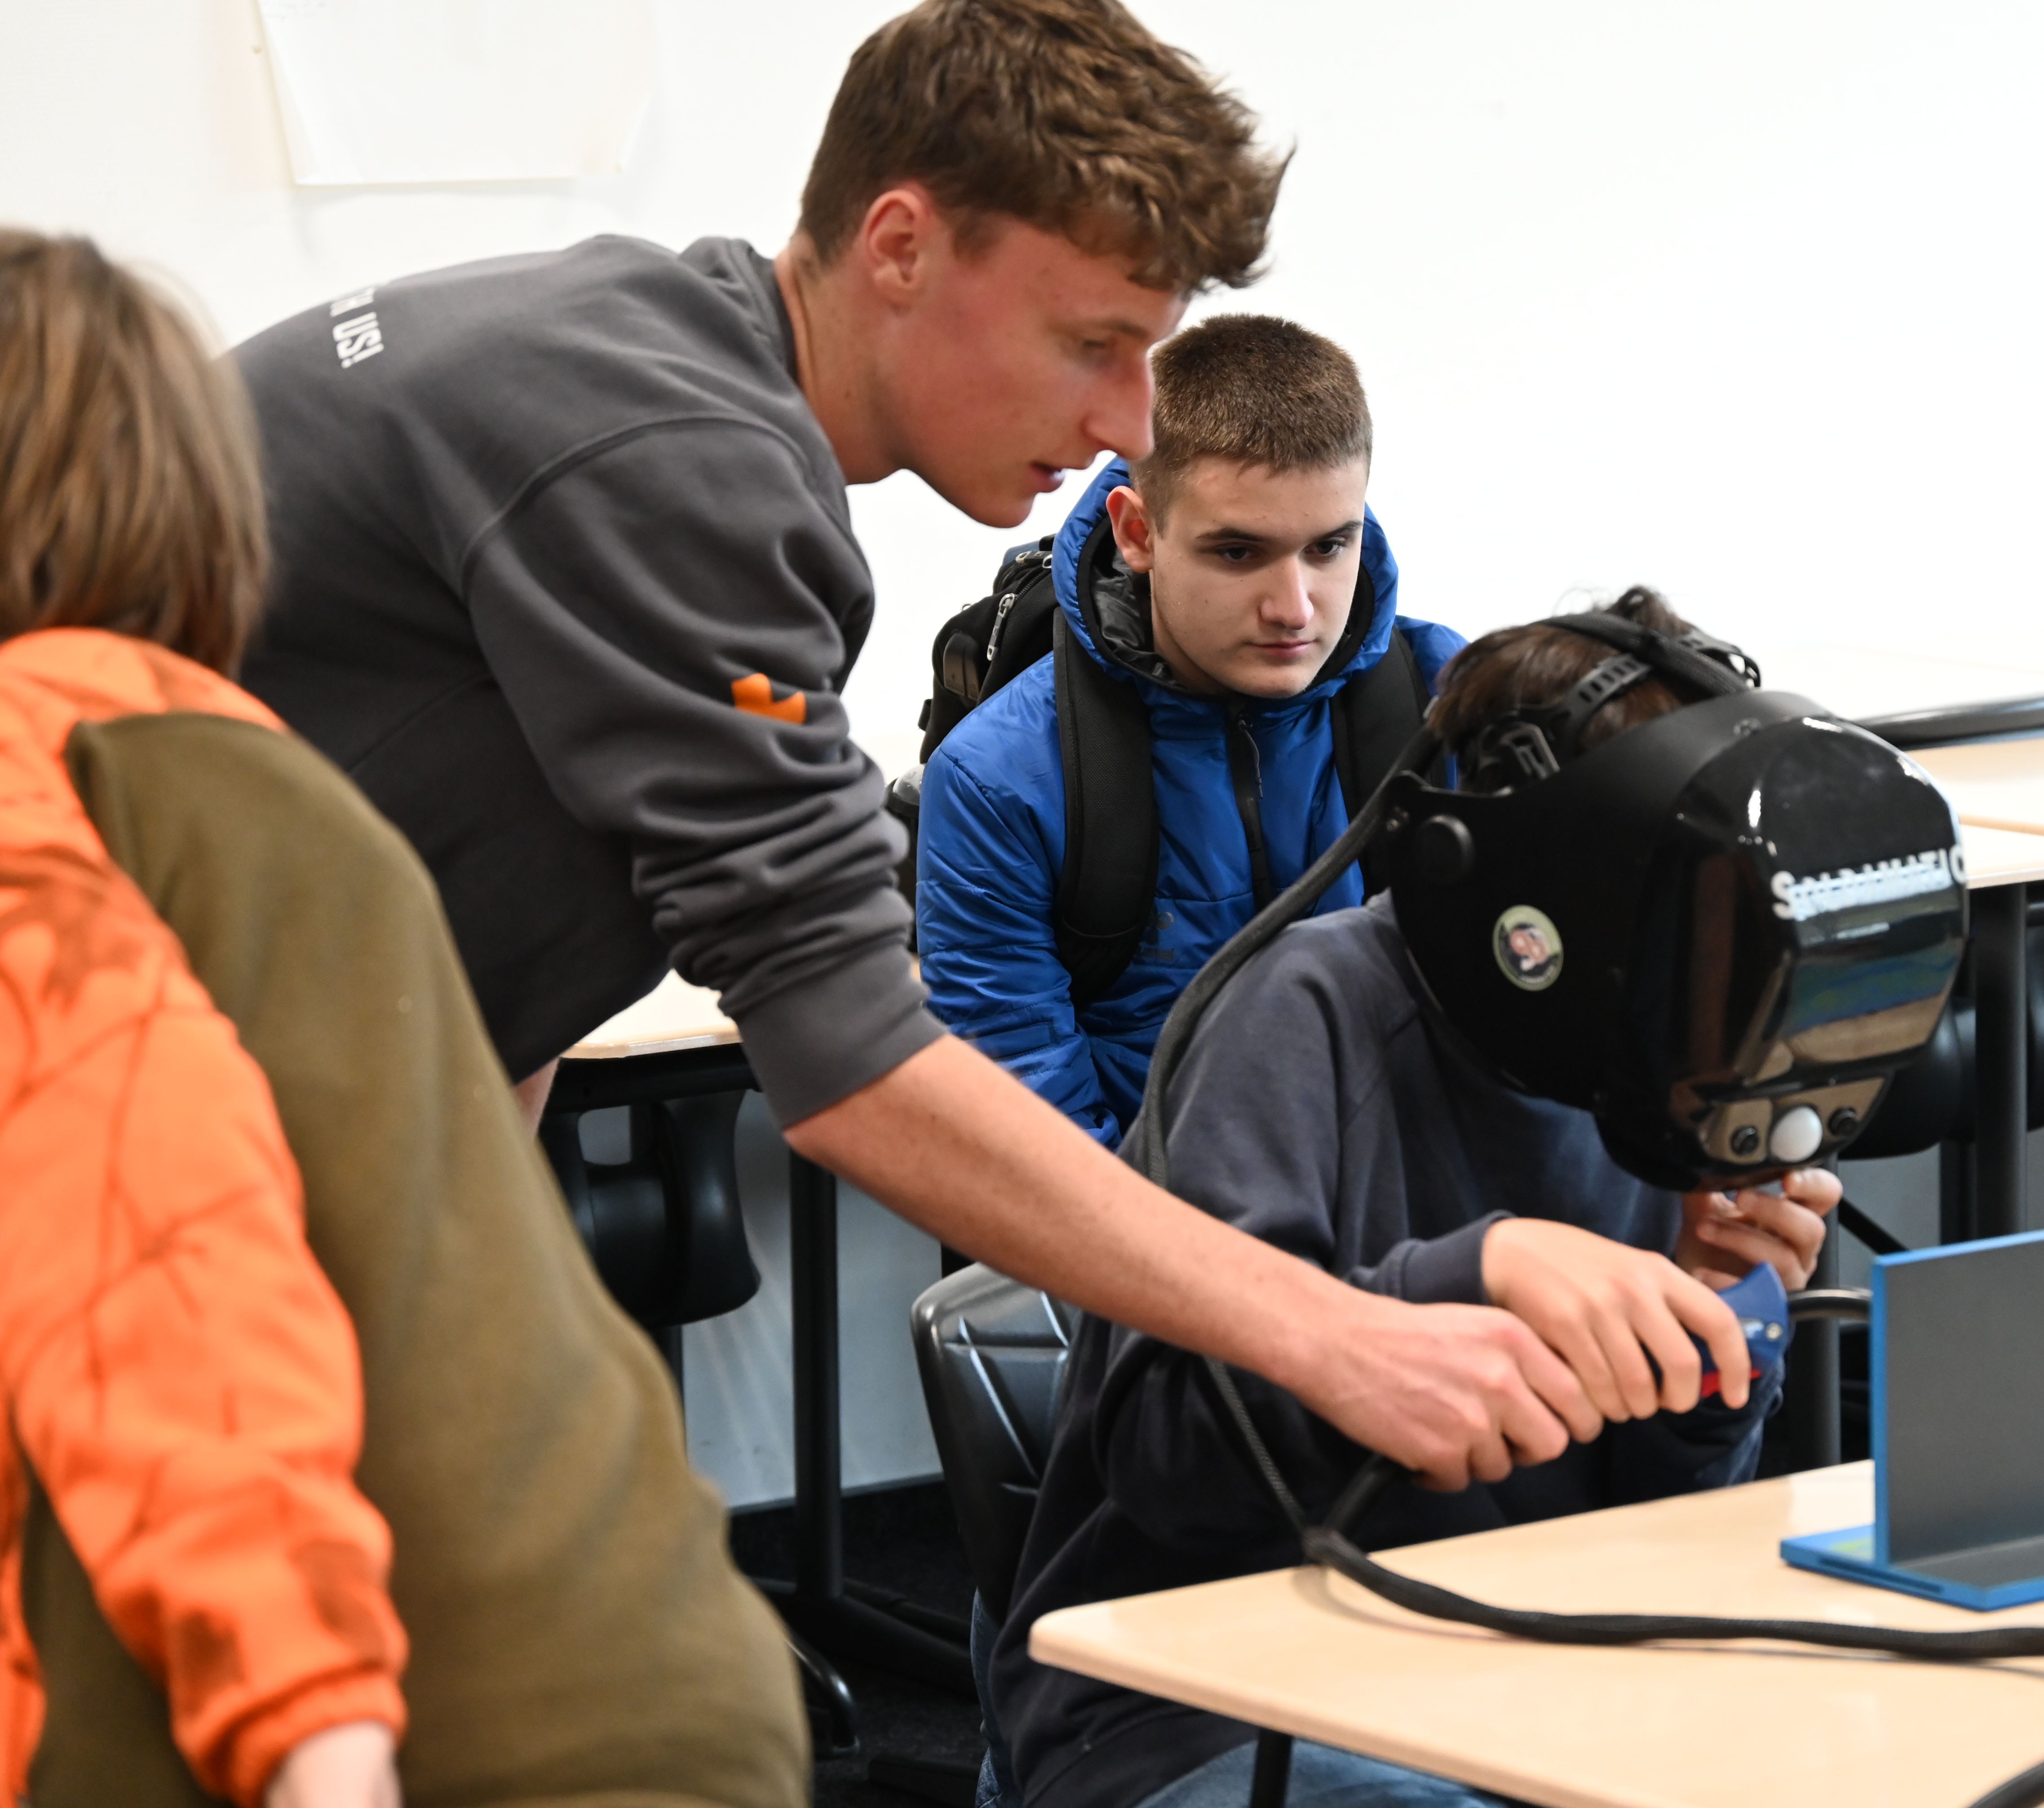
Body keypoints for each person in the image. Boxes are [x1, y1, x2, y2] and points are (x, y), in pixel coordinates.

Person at [228, 0, 1639, 1492]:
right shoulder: (677, 468)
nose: (1126, 419)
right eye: (1091, 345)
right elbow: (852, 1063)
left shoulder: (639, 354)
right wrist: (1334, 1333)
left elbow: (475, 944)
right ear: (898, 246)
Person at [2, 233, 802, 1808]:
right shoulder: (238, 777)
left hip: (420, 1730)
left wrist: (317, 1739)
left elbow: (176, 1275)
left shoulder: (53, 775)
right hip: (610, 1667)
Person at [989, 591, 1848, 1808]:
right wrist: (1468, 1275)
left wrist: (1710, 1333)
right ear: (1526, 875)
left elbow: (1657, 1532)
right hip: (1207, 1709)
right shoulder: (1300, 1013)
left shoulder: (1663, 1058)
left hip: (1532, 1668)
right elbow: (1173, 1465)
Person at [917, 314, 1463, 1144]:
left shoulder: (1447, 702)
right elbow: (1030, 1127)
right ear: (1138, 533)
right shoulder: (998, 780)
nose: (1295, 609)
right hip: (1143, 1207)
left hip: (1414, 1201)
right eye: (1238, 553)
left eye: (1328, 547)